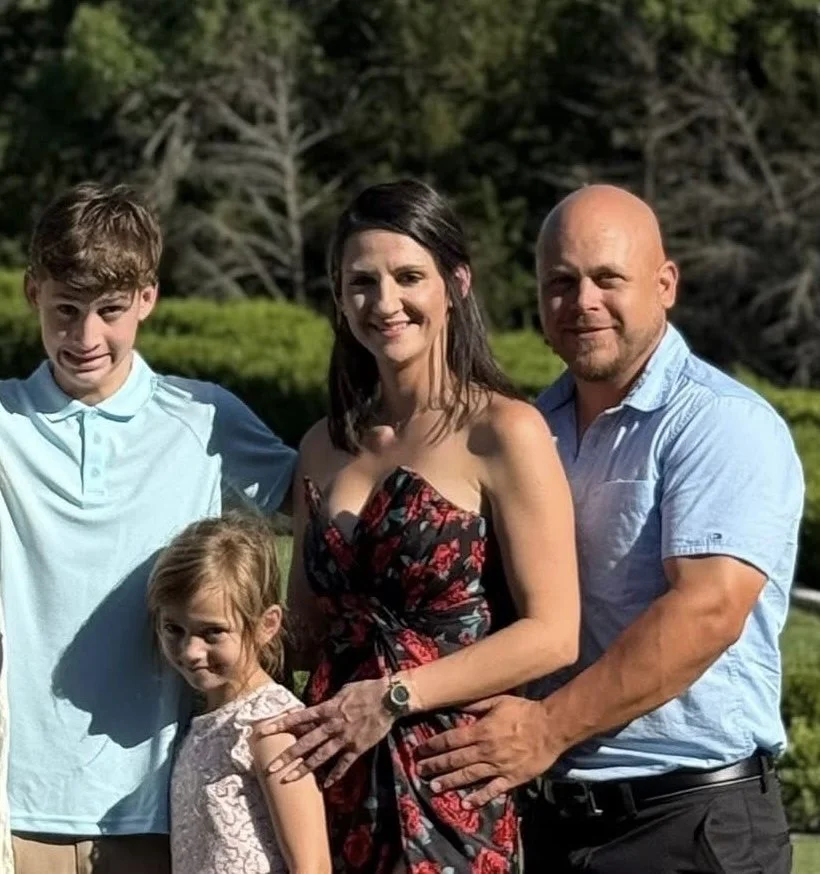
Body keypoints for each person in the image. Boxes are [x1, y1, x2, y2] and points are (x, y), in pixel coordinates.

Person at [415, 184, 805, 873]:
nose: (582, 301)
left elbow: (708, 611)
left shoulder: (720, 424)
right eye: (560, 282)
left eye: (607, 279)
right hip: (549, 817)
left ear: (665, 285)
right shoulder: (530, 429)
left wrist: (546, 728)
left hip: (688, 823)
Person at [253, 179, 581, 873]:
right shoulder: (322, 446)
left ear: (456, 284)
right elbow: (304, 635)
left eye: (408, 277)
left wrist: (394, 696)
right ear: (339, 299)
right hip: (328, 773)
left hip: (449, 780)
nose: (385, 302)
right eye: (361, 283)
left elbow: (554, 633)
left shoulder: (504, 432)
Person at [1, 182, 296, 874]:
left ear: (147, 298)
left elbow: (322, 507)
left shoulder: (204, 419)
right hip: (13, 812)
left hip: (161, 811)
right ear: (33, 291)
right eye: (65, 310)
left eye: (109, 311)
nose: (85, 337)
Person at [146, 512, 331, 874]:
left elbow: (312, 865)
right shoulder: (205, 721)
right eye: (174, 629)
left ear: (267, 625)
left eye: (212, 632)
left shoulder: (271, 725)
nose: (190, 651)